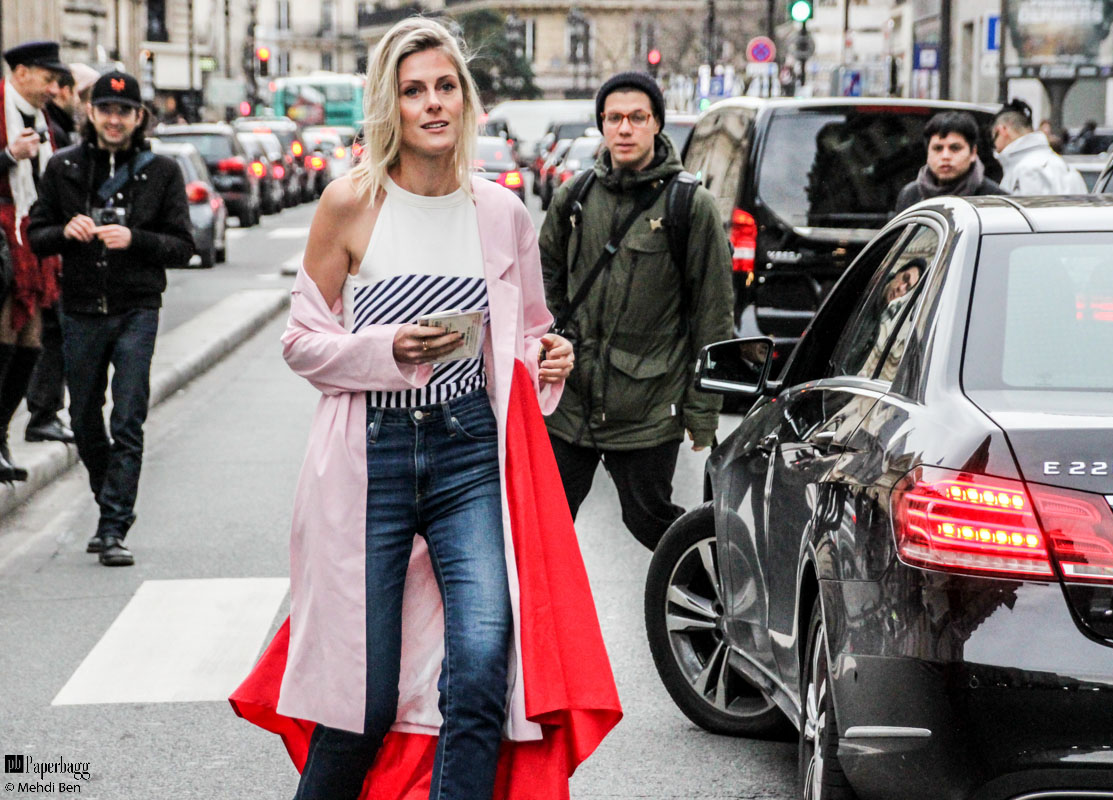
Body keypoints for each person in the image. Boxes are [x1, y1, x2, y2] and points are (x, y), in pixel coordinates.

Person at [226, 17, 620, 800]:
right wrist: (384, 353)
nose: (433, 104)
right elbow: (301, 342)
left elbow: (532, 332)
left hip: (469, 454)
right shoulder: (349, 204)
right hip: (370, 456)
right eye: (414, 91)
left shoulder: (501, 213)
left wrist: (554, 359)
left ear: (467, 102)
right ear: (390, 106)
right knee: (361, 702)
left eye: (446, 88)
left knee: (479, 670)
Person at [539, 71, 735, 550]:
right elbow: (543, 277)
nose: (624, 128)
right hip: (570, 402)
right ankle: (536, 625)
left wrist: (703, 411)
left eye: (636, 118)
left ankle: (711, 611)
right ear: (602, 127)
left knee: (651, 522)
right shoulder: (576, 196)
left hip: (648, 403)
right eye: (613, 118)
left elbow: (713, 314)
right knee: (544, 528)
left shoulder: (690, 204)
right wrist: (552, 338)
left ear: (656, 125)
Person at [28, 71, 194, 566]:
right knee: (82, 417)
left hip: (137, 308)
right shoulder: (63, 167)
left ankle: (113, 525)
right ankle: (110, 501)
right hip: (80, 309)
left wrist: (135, 239)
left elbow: (184, 247)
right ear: (90, 113)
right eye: (105, 110)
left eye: (124, 111)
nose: (114, 119)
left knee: (128, 417)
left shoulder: (161, 171)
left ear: (138, 117)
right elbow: (36, 234)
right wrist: (65, 229)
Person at [0, 41, 70, 483]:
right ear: (21, 72)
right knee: (8, 332)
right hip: (3, 238)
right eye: (48, 78)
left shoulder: (41, 117)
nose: (53, 88)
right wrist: (9, 156)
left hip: (30, 239)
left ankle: (1, 433)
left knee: (31, 341)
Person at [24, 63, 96, 445]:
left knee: (49, 330)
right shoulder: (52, 127)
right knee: (45, 330)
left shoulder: (56, 125)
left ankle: (45, 411)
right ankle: (42, 412)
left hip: (52, 241)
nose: (87, 106)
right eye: (84, 96)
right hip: (42, 240)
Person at [895, 111, 1006, 214]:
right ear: (928, 152)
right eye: (938, 148)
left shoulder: (994, 200)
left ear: (973, 153)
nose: (945, 156)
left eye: (955, 148)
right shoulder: (910, 195)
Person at [992, 99, 1087, 195]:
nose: (995, 145)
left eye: (994, 137)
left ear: (1002, 130)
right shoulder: (1063, 166)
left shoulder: (1028, 171)